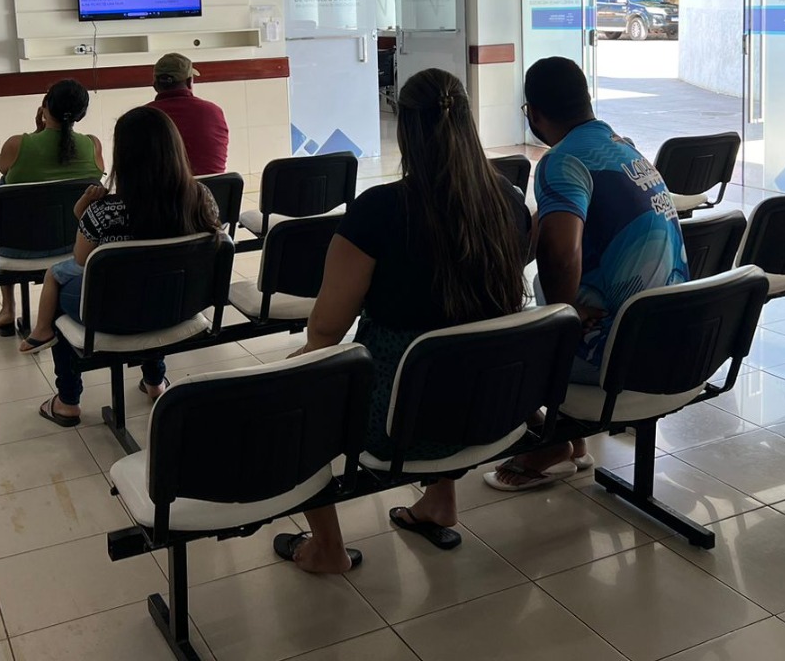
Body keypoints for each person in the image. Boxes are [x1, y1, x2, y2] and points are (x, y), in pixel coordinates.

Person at [272, 69, 531, 573]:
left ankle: (326, 548)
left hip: (400, 422)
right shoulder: (511, 203)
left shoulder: (379, 211)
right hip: (496, 407)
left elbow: (326, 327)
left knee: (294, 394)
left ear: (405, 132)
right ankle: (438, 500)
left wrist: (305, 363)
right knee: (451, 344)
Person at [485, 55, 688, 491]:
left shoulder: (562, 161)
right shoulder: (623, 146)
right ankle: (574, 440)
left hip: (620, 352)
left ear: (534, 115)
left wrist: (565, 315)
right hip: (671, 337)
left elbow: (560, 252)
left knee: (500, 340)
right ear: (586, 101)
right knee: (546, 290)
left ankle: (550, 444)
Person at [17, 106, 224, 426]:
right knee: (158, 276)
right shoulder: (201, 197)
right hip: (180, 304)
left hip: (115, 311)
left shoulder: (106, 210)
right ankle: (155, 381)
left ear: (124, 156)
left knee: (64, 294)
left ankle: (68, 400)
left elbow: (82, 259)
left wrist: (86, 209)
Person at [0, 79, 104, 336]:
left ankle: (8, 309)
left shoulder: (17, 144)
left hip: (18, 248)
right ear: (81, 114)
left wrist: (37, 132)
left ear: (44, 107)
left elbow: (2, 166)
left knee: (1, 190)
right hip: (75, 246)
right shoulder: (92, 144)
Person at [147, 53, 229, 176]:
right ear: (190, 82)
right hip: (211, 193)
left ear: (155, 85)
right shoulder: (213, 112)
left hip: (162, 195)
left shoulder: (140, 118)